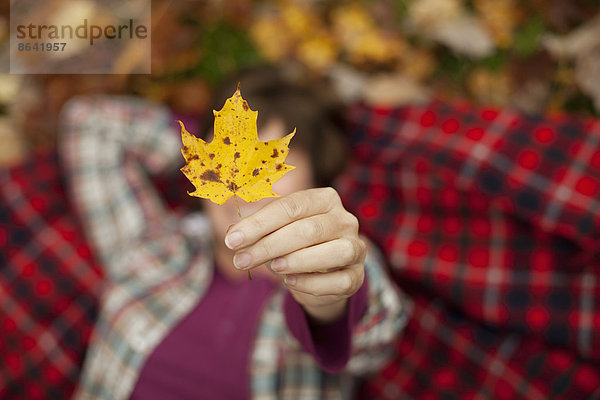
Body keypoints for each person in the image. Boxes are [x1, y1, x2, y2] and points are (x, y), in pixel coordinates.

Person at [59, 67, 410, 399]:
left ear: (316, 179)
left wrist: (330, 299)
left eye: (267, 166)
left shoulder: (343, 250)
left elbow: (375, 336)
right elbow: (90, 121)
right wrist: (195, 146)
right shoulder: (152, 244)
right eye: (226, 159)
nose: (241, 183)